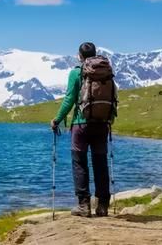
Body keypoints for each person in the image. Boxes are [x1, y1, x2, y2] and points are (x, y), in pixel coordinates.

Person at [50, 42, 115, 217]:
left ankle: (83, 205)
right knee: (100, 163)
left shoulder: (76, 73)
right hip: (101, 124)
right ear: (95, 54)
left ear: (80, 56)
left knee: (79, 163)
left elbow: (69, 99)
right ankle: (102, 206)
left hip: (81, 125)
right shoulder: (106, 72)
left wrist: (57, 119)